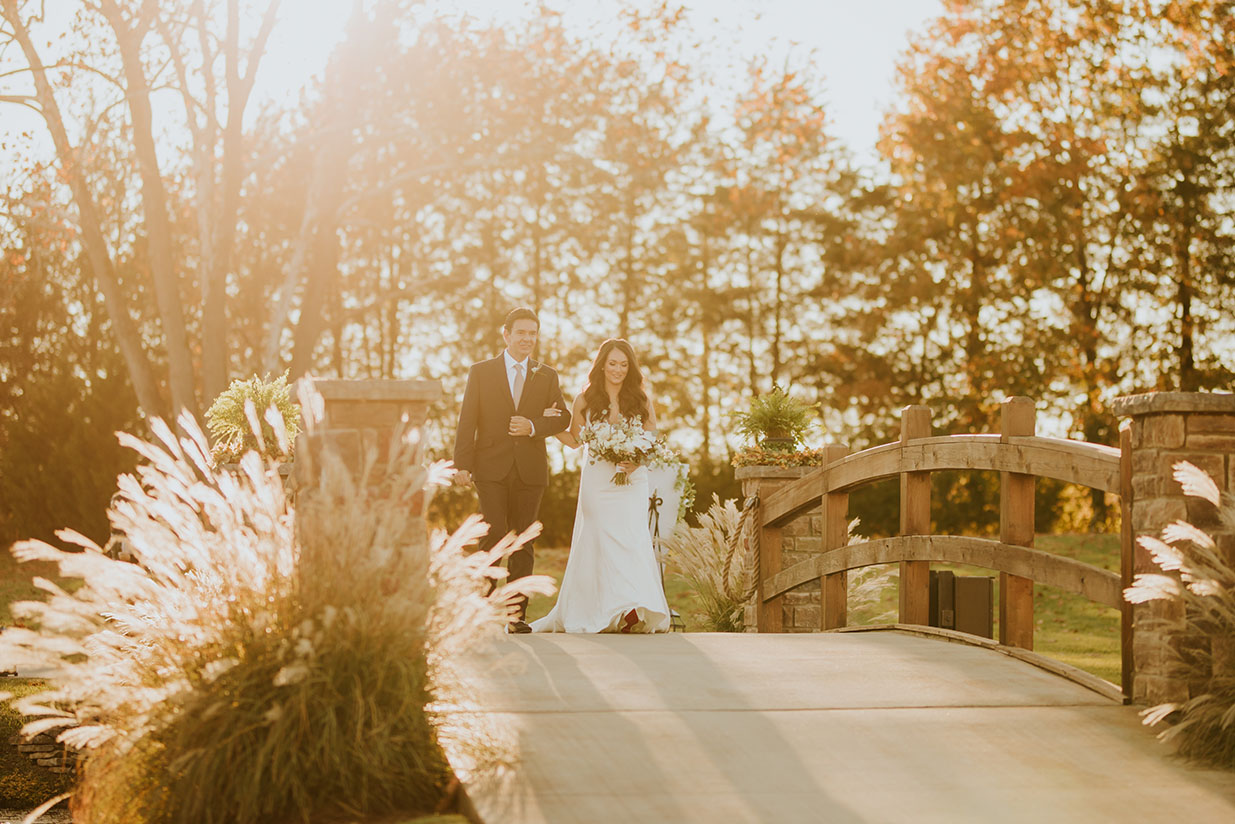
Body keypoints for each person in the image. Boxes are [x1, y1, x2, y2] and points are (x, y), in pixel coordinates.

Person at [531, 338, 671, 634]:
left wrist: (636, 461)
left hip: (631, 480)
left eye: (623, 364)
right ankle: (599, 609)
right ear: (602, 365)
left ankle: (630, 608)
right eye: (612, 364)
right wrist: (548, 425)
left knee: (630, 540)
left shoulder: (641, 400)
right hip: (597, 480)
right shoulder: (585, 400)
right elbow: (574, 440)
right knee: (599, 539)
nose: (618, 370)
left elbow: (652, 438)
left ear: (630, 367)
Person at [453, 307, 570, 633]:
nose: (527, 339)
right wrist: (462, 465)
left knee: (523, 540)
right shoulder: (482, 371)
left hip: (530, 471)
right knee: (493, 534)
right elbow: (468, 420)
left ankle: (515, 616)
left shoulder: (546, 375)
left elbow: (563, 418)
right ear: (506, 335)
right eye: (521, 333)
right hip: (490, 467)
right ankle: (485, 614)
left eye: (532, 334)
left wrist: (533, 425)